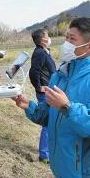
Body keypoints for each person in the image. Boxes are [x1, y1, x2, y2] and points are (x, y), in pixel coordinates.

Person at [13, 18, 90, 178]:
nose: (66, 44)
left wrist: (68, 108)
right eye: (66, 38)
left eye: (72, 39)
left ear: (89, 46)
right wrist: (28, 106)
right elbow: (48, 116)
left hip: (83, 176)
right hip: (63, 167)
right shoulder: (61, 74)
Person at [29, 29, 56, 163]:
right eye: (47, 36)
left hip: (50, 90)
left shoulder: (45, 51)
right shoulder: (39, 52)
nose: (49, 37)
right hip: (44, 92)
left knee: (50, 121)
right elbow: (34, 72)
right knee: (47, 122)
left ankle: (47, 150)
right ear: (42, 40)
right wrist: (39, 87)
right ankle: (44, 155)